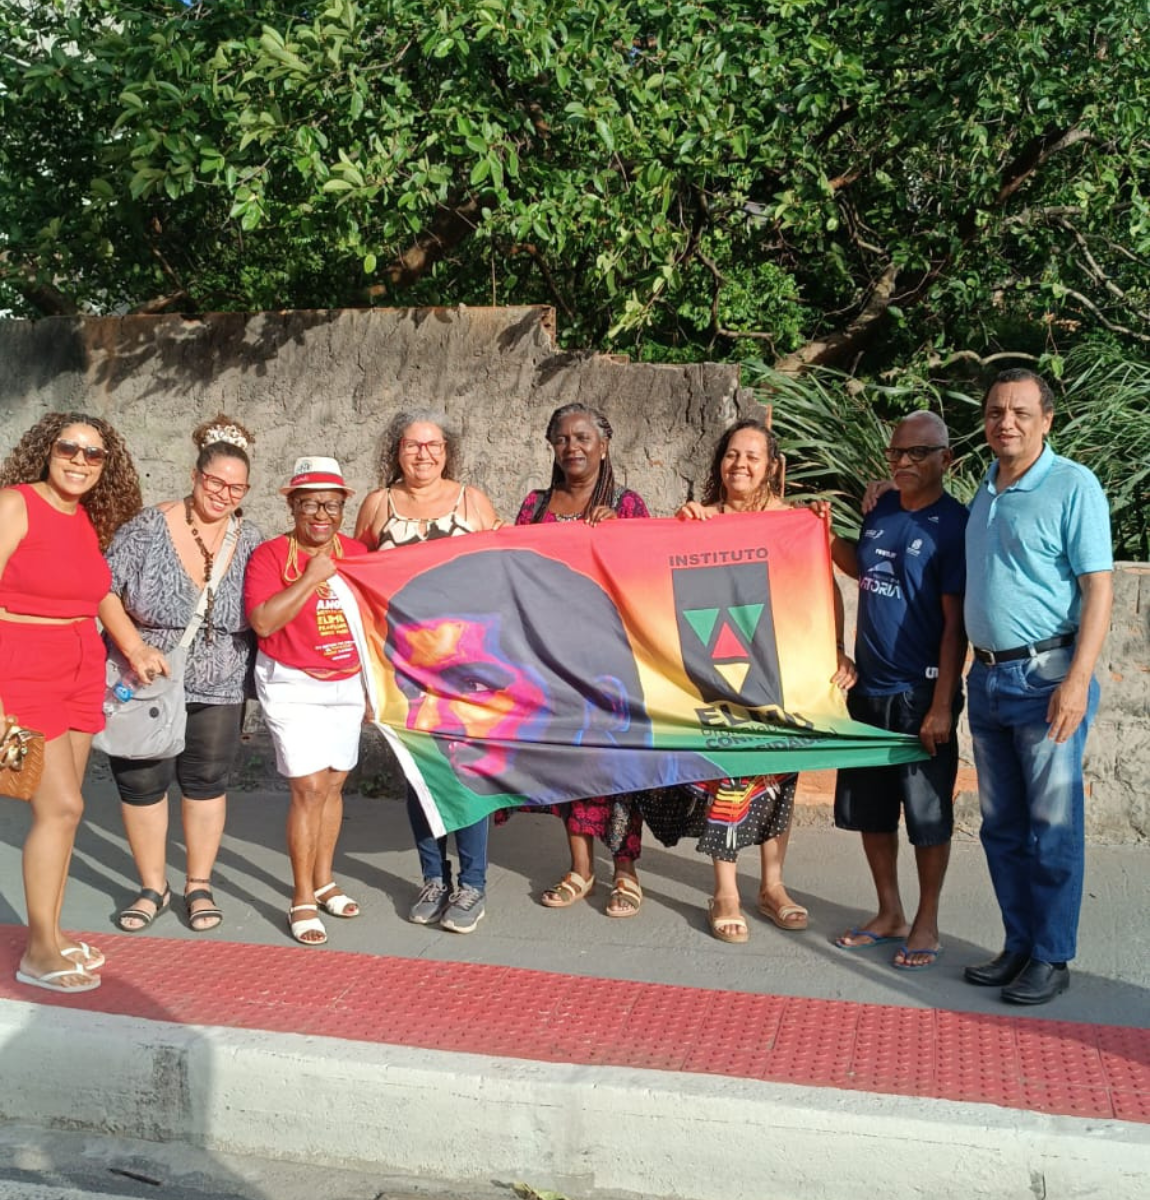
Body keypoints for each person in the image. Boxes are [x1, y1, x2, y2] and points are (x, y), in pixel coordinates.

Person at [647, 417, 856, 943]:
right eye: (732, 455)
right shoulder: (700, 519)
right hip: (716, 671)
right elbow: (657, 573)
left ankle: (773, 886)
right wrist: (681, 527)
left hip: (779, 669)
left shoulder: (794, 522)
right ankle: (726, 891)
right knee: (729, 775)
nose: (740, 465)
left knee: (778, 776)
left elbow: (822, 588)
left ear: (771, 467)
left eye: (752, 457)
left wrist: (835, 648)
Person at [960, 369, 1112, 1005]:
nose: (1006, 422)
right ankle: (1019, 945)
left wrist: (1076, 681)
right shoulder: (985, 489)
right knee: (1001, 827)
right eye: (996, 411)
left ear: (1047, 419)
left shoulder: (1073, 485)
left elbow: (1098, 587)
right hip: (988, 678)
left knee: (1052, 828)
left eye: (1021, 412)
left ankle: (1051, 956)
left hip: (1048, 678)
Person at [98, 415, 262, 933]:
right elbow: (101, 588)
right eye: (215, 482)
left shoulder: (252, 537)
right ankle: (152, 885)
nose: (223, 493)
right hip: (148, 672)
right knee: (142, 781)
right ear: (195, 477)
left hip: (220, 677)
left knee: (206, 781)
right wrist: (134, 645)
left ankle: (198, 883)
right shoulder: (147, 527)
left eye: (235, 487)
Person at [0, 412, 141, 993]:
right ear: (45, 450)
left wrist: (133, 645)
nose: (81, 461)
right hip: (18, 673)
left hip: (80, 668)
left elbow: (97, 588)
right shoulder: (15, 504)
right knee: (58, 808)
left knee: (66, 809)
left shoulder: (81, 517)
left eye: (94, 454)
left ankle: (51, 935)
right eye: (70, 448)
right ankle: (37, 954)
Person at [826, 411, 968, 970]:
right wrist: (817, 535)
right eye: (896, 454)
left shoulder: (954, 525)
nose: (904, 463)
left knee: (927, 817)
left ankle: (926, 920)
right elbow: (861, 569)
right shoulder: (879, 509)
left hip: (920, 696)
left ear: (945, 459)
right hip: (869, 688)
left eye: (918, 454)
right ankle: (889, 912)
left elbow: (955, 625)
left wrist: (941, 705)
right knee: (872, 812)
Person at [355, 409, 501, 935]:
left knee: (468, 772)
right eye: (413, 445)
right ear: (396, 450)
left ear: (447, 450)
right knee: (420, 777)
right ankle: (433, 878)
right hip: (402, 667)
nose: (424, 454)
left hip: (466, 664)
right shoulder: (378, 505)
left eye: (433, 445)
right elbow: (360, 586)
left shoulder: (473, 502)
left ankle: (473, 885)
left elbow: (500, 575)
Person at [502, 403, 651, 917]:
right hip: (552, 662)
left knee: (618, 765)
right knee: (570, 765)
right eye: (563, 439)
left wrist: (619, 536)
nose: (573, 447)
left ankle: (626, 872)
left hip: (612, 662)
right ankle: (580, 868)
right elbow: (516, 572)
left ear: (604, 445)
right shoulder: (535, 506)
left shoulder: (627, 507)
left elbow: (646, 577)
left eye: (583, 437)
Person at [245, 457, 369, 946]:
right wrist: (313, 577)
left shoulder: (357, 552)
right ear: (293, 506)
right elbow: (264, 622)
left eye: (332, 505)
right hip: (292, 682)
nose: (322, 514)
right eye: (311, 503)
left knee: (335, 784)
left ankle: (324, 879)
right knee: (308, 787)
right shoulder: (271, 556)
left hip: (346, 683)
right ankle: (300, 895)